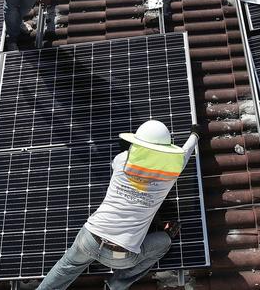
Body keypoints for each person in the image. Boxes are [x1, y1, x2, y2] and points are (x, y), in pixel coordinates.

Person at [34, 120, 201, 290]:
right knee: (164, 242)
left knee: (67, 266)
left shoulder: (121, 161)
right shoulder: (170, 174)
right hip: (121, 255)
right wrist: (194, 135)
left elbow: (135, 159)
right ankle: (116, 285)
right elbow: (185, 153)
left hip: (90, 238)